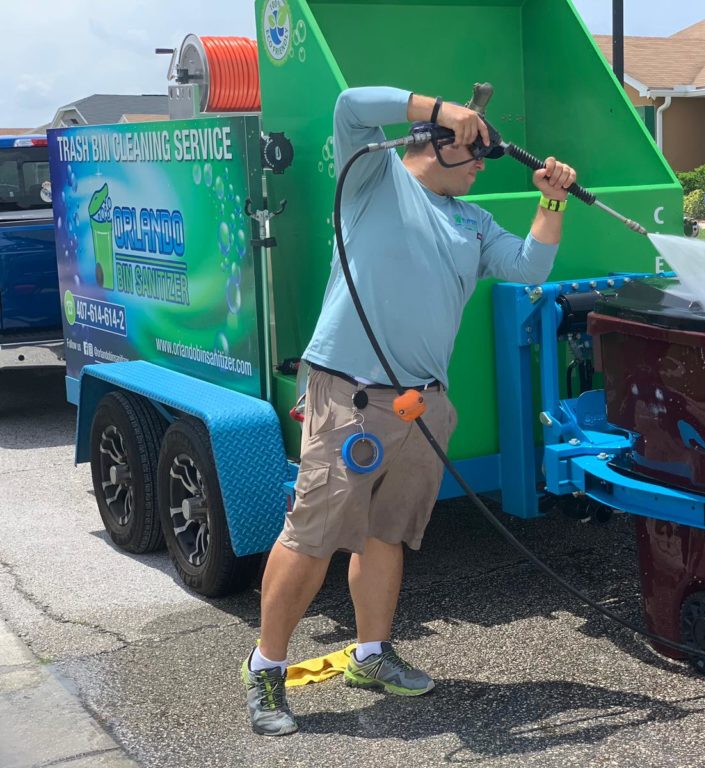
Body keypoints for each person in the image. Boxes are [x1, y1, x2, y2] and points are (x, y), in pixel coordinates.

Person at [241, 86, 576, 736]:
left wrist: (552, 199)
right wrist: (440, 107)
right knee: (311, 537)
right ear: (439, 141)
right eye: (475, 151)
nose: (482, 164)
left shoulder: (472, 221)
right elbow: (347, 103)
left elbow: (530, 264)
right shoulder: (374, 177)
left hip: (421, 404)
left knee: (386, 532)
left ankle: (371, 655)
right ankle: (266, 668)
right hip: (350, 399)